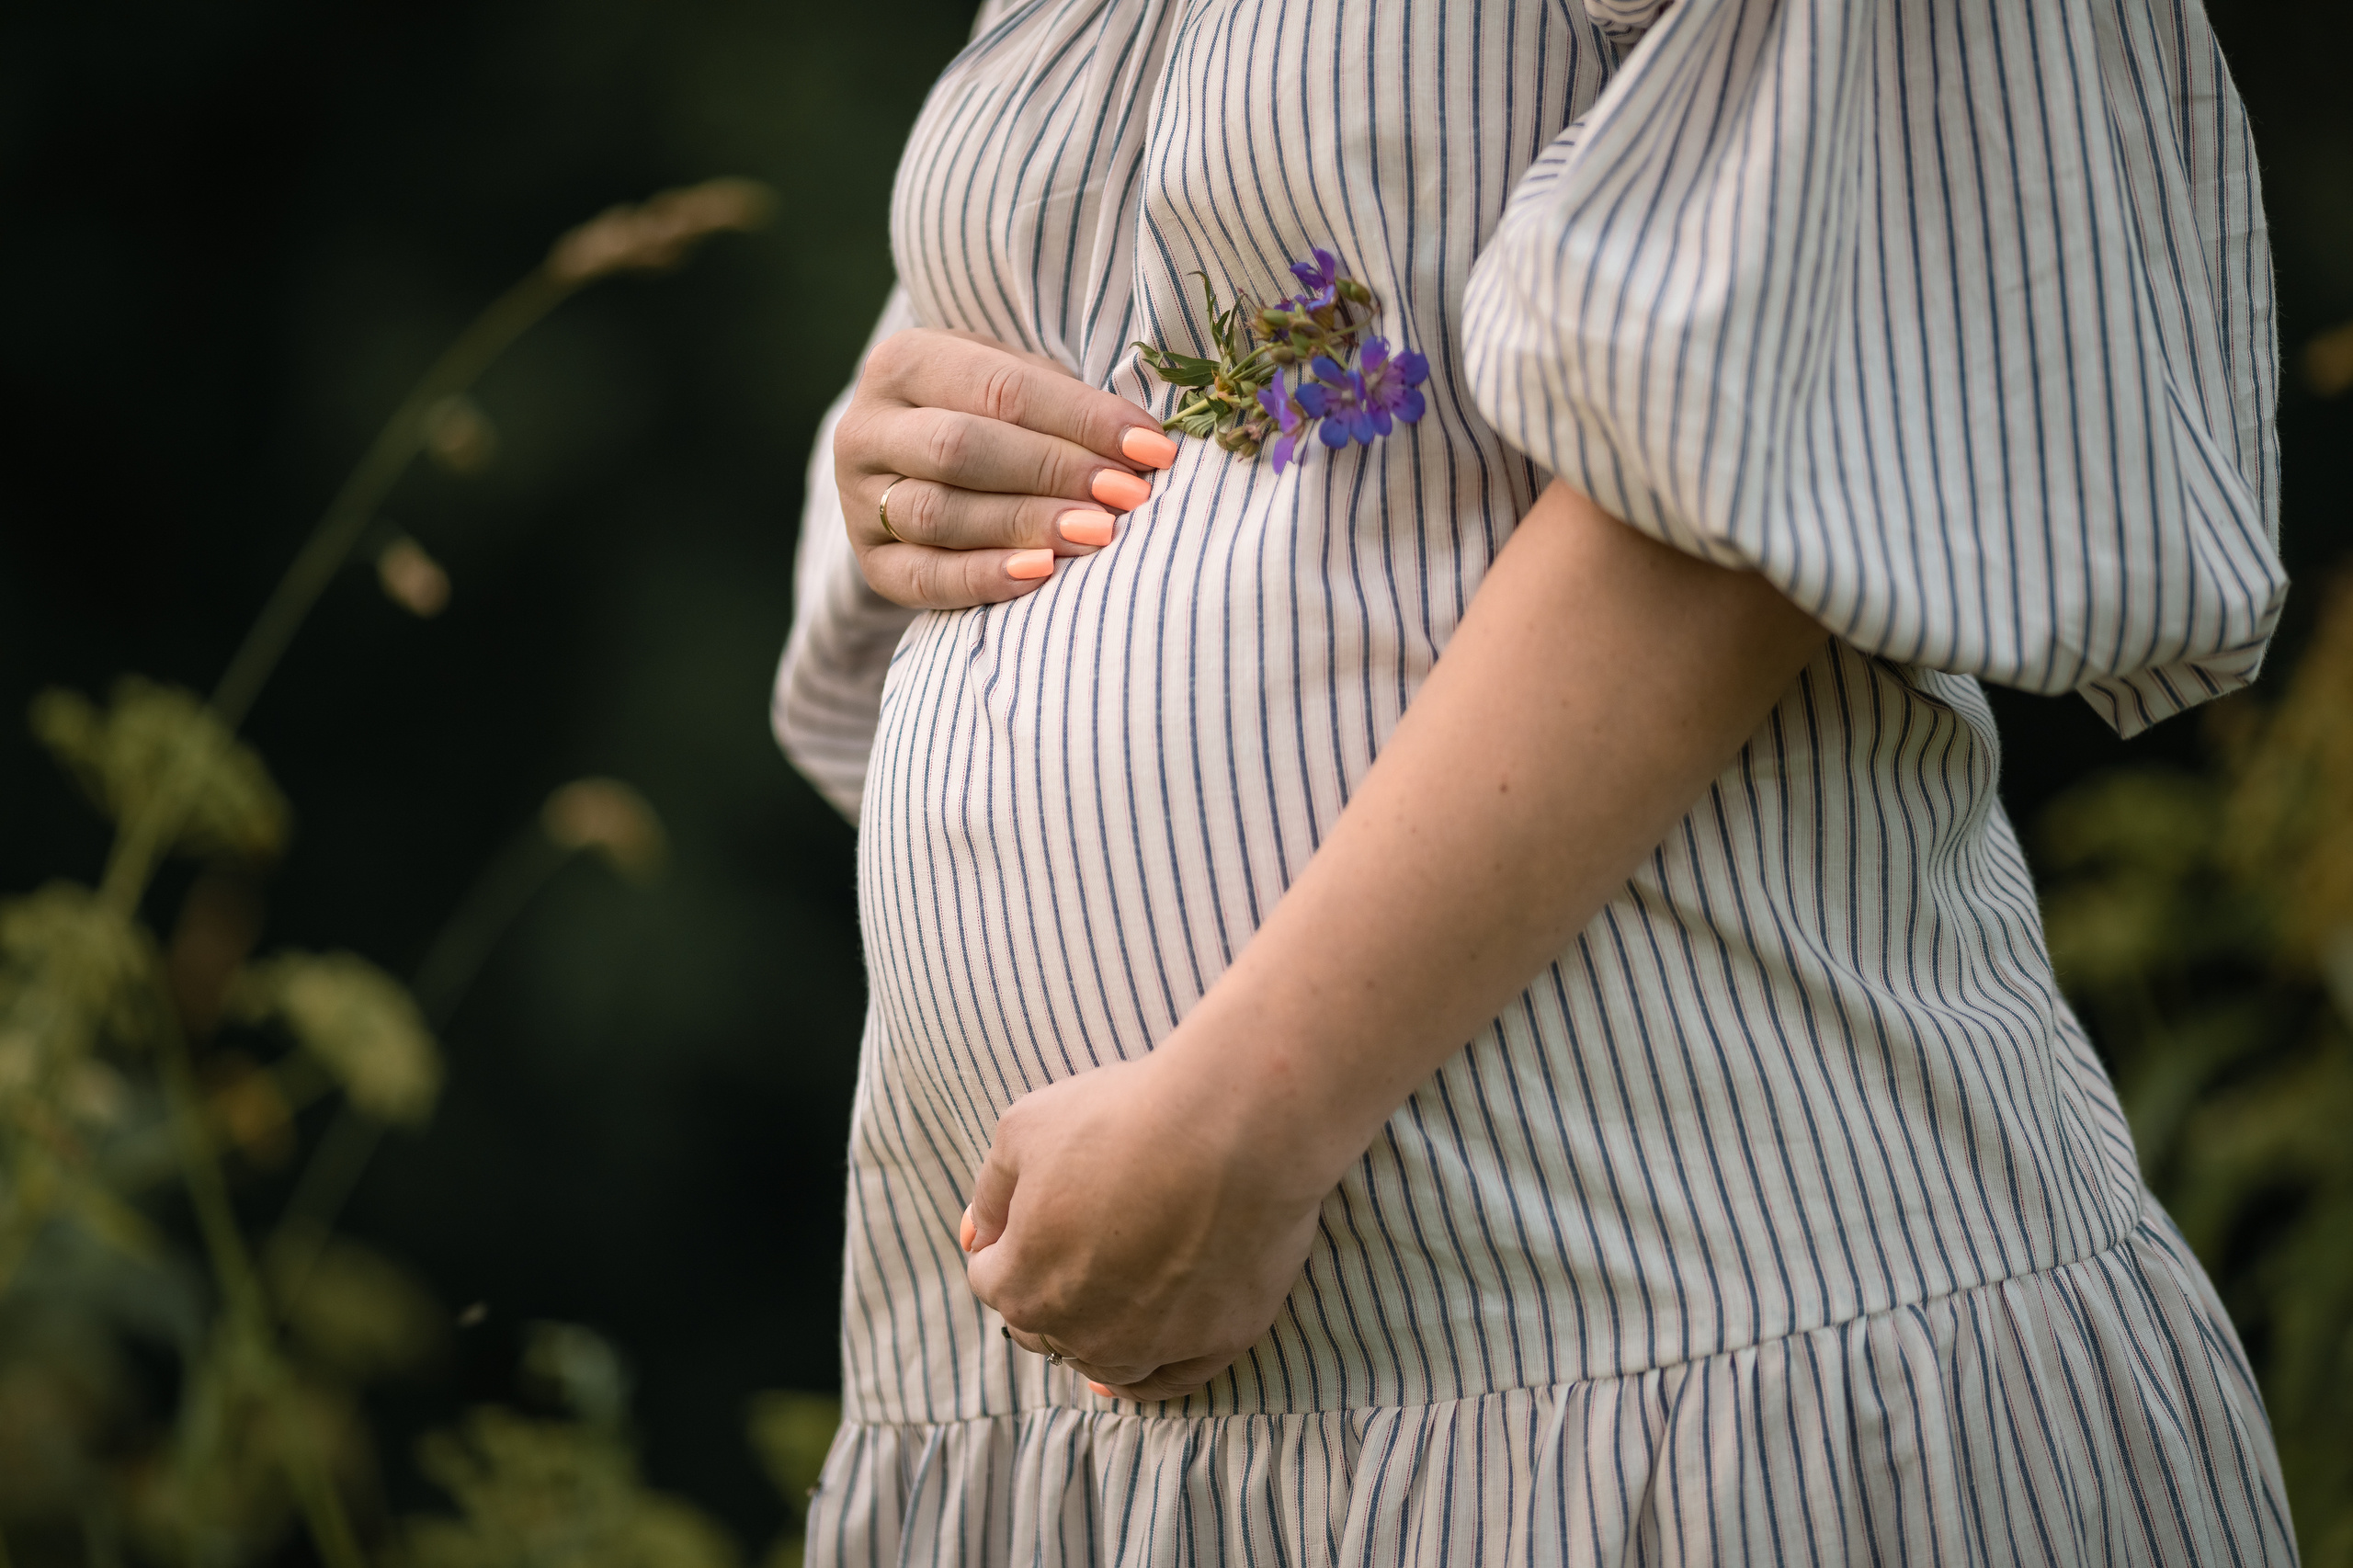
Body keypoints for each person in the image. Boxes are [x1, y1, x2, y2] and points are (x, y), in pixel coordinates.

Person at [772, 0, 2297, 1560]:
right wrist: (905, 444)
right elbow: (1079, 307)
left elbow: (1784, 369)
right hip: (1075, 1441)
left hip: (1662, 1384)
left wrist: (1254, 1104)